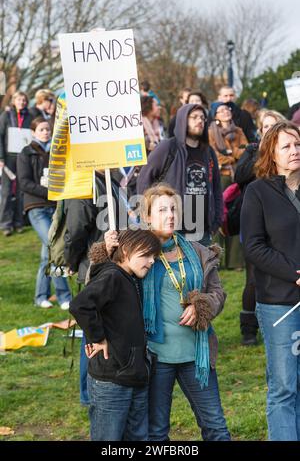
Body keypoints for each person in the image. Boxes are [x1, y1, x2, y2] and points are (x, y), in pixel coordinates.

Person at [105, 183, 230, 441]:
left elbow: (218, 293)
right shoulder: (134, 255)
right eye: (162, 210)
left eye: (173, 209)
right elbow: (105, 284)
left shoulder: (197, 251)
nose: (170, 215)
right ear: (148, 217)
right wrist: (108, 253)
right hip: (156, 357)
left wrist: (202, 305)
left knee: (216, 427)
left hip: (196, 354)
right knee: (156, 432)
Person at [69, 229, 161, 441]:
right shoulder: (112, 276)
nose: (151, 261)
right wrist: (98, 337)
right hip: (112, 380)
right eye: (146, 255)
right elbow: (81, 305)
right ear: (127, 251)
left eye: (154, 256)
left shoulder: (130, 277)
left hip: (134, 374)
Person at [241, 121, 300, 441]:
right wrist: (295, 274)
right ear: (271, 154)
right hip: (279, 304)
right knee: (284, 385)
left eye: (298, 144)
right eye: (286, 146)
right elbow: (253, 246)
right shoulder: (258, 192)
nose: (295, 151)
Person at [64, 171, 135, 406]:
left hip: (116, 266)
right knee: (91, 329)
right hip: (94, 265)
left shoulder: (110, 180)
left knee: (109, 324)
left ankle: (105, 383)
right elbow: (75, 229)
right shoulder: (85, 182)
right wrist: (73, 261)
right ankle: (88, 393)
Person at [137, 104, 223, 247]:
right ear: (183, 120)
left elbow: (216, 188)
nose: (200, 121)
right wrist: (148, 216)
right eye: (194, 117)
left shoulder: (208, 152)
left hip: (202, 231)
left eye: (202, 118)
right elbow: (144, 180)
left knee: (203, 269)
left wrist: (216, 220)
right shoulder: (168, 147)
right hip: (173, 229)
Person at [235, 110, 286, 345]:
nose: (270, 131)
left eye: (275, 126)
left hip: (281, 226)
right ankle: (249, 329)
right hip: (255, 220)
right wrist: (261, 158)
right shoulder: (251, 151)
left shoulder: (289, 158)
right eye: (266, 126)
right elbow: (239, 176)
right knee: (253, 278)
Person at [17, 117, 71, 309]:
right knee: (54, 245)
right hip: (36, 207)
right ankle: (64, 296)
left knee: (46, 255)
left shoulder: (57, 152)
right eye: (41, 129)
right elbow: (24, 183)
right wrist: (49, 192)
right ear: (33, 132)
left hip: (56, 208)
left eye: (48, 129)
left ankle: (41, 296)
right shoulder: (26, 152)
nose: (46, 132)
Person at [209, 101, 247, 270]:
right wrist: (233, 155)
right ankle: (217, 259)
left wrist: (231, 153)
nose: (225, 111)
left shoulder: (238, 130)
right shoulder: (211, 132)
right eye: (221, 110)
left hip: (236, 176)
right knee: (219, 214)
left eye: (227, 108)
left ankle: (235, 262)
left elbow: (245, 150)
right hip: (221, 177)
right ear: (215, 115)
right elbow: (215, 156)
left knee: (236, 214)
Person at [0, 91, 32, 236]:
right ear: (14, 101)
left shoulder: (30, 116)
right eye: (19, 99)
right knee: (6, 192)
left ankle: (19, 222)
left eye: (24, 100)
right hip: (8, 159)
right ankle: (6, 224)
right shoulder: (6, 115)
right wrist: (0, 158)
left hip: (23, 158)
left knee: (21, 191)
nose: (22, 102)